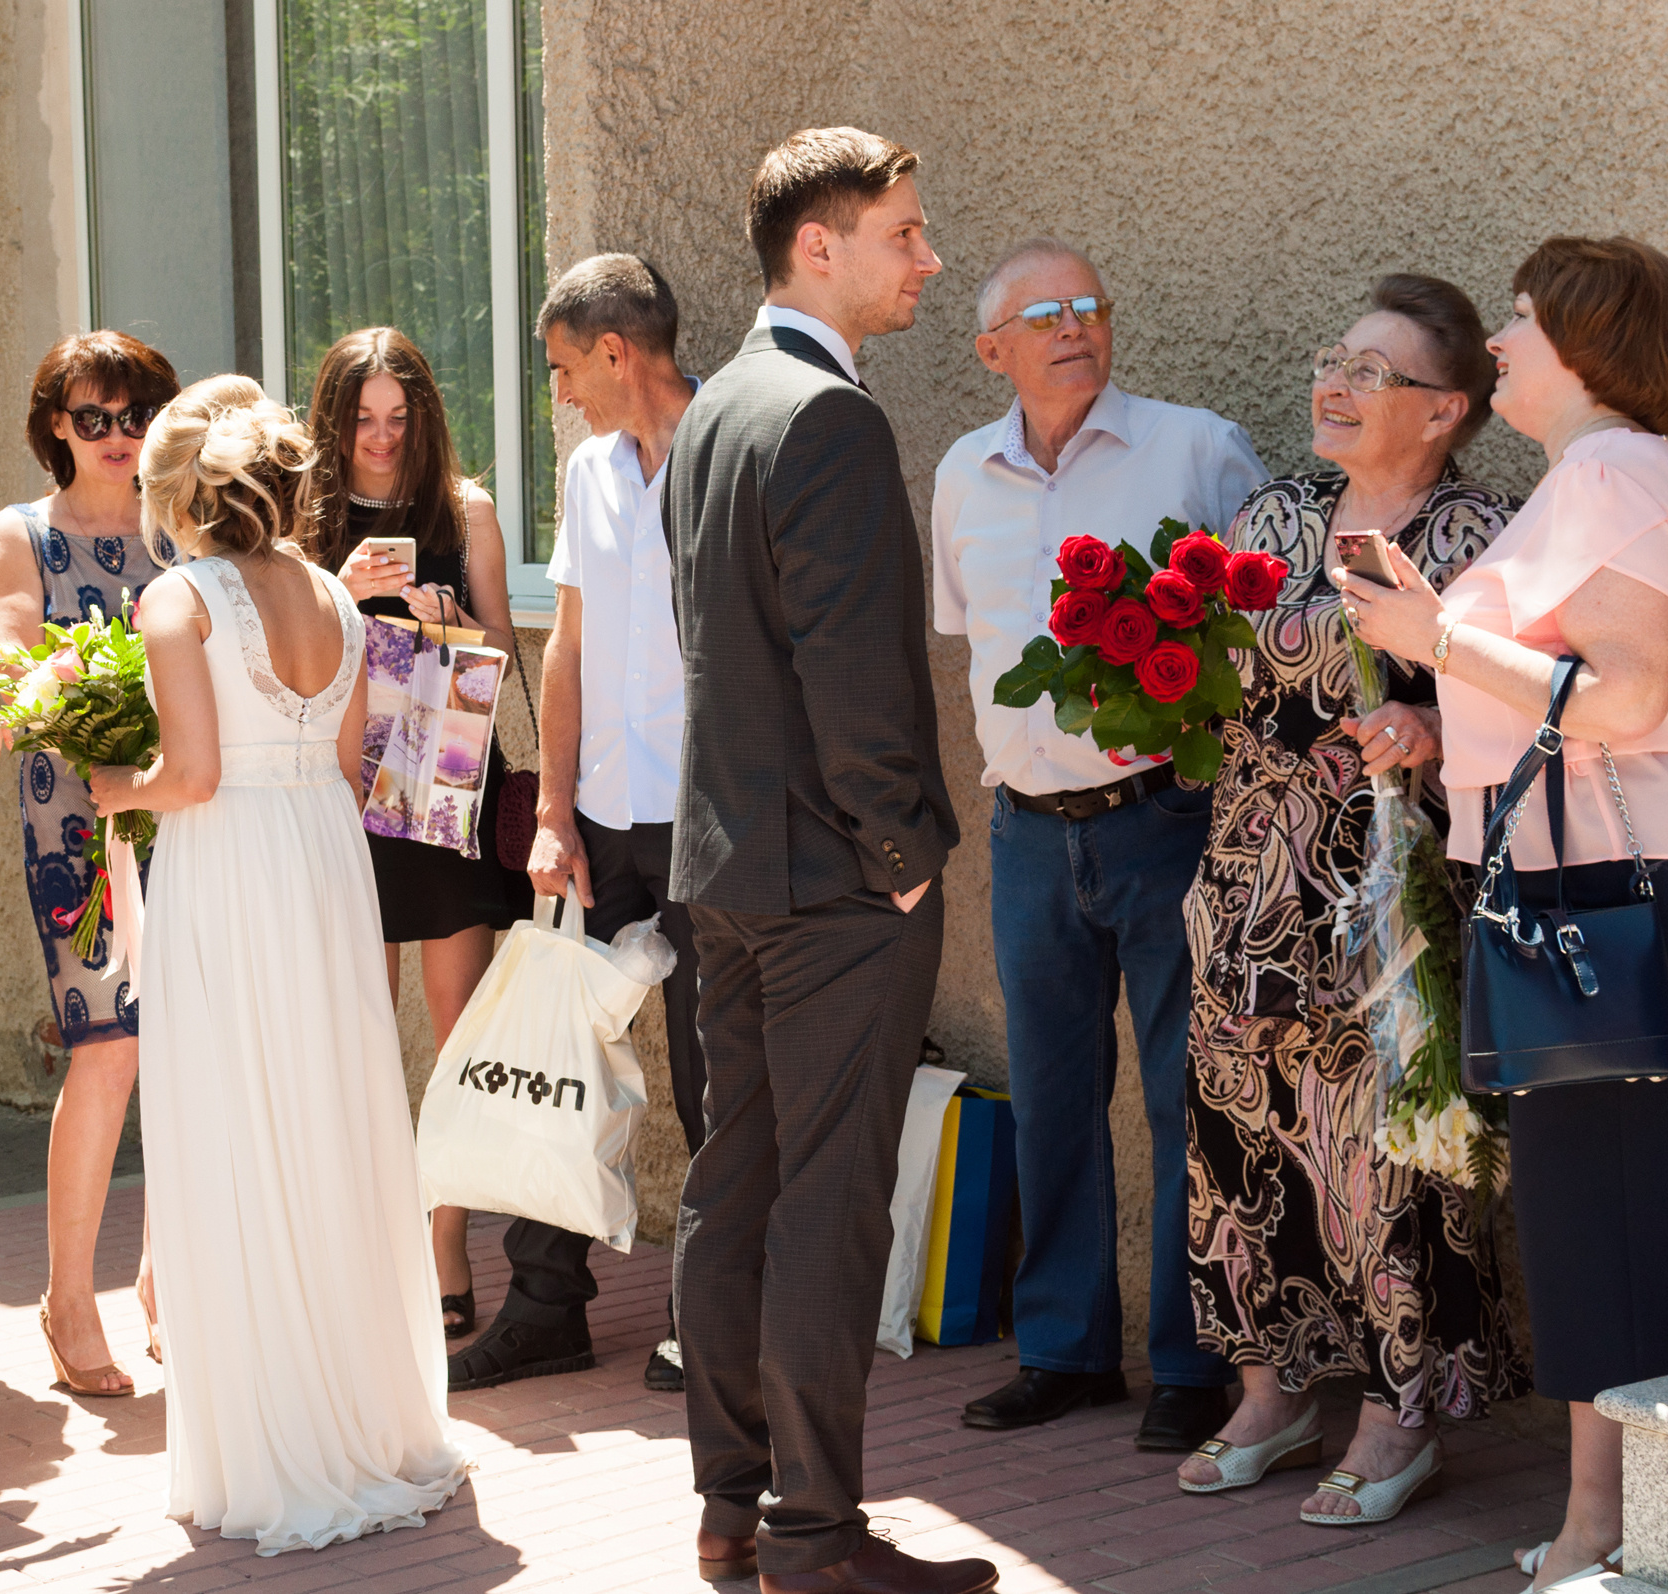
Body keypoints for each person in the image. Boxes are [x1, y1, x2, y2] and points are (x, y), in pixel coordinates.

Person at [663, 126, 993, 1594]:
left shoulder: (715, 409)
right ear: (820, 245)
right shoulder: (827, 416)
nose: (928, 258)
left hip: (730, 870)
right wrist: (902, 853)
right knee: (825, 1202)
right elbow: (848, 675)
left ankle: (731, 1507)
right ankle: (815, 1538)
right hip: (835, 883)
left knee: (734, 1183)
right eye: (904, 233)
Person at [1342, 235, 1668, 1592]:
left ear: (1589, 346)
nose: (1499, 341)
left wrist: (1435, 642)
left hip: (1597, 900)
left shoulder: (1613, 475)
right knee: (1604, 1218)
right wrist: (1443, 684)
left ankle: (1615, 1529)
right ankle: (1607, 1518)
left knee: (1610, 1221)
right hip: (1578, 891)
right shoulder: (1601, 477)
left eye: (1525, 317)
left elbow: (1629, 696)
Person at [90, 380, 469, 1554]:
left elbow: (193, 774)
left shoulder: (178, 598)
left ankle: (271, 1438)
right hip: (321, 857)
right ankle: (361, 1411)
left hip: (230, 861)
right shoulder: (333, 595)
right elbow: (351, 766)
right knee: (326, 1114)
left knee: (236, 1117)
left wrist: (114, 784)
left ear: (183, 494)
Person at [1174, 275, 1529, 1517]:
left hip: (1387, 896)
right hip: (1244, 880)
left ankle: (1396, 1414)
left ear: (1443, 409)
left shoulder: (1481, 536)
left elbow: (1539, 703)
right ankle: (1269, 1394)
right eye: (1337, 358)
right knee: (1237, 1137)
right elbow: (1214, 675)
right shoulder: (1271, 515)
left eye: (1372, 371)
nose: (1335, 382)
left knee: (1383, 1153)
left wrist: (1433, 728)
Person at [932, 240, 1265, 1451]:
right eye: (1044, 314)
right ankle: (1065, 1351)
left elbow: (1265, 631)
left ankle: (1193, 1361)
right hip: (1026, 833)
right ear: (993, 351)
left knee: (1187, 1097)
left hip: (1166, 822)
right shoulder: (962, 474)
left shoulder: (1196, 449)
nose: (1074, 326)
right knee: (1053, 1097)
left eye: (1089, 307)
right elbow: (971, 637)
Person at [452, 253, 703, 1396]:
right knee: (563, 1058)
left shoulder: (727, 452)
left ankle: (709, 1314)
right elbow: (567, 648)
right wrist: (552, 807)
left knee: (712, 1073)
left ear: (615, 351)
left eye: (562, 370)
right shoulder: (590, 468)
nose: (556, 394)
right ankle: (545, 1306)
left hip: (708, 821)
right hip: (600, 814)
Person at [303, 326, 523, 1342]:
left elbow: (502, 651)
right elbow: (277, 661)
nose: (382, 438)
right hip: (342, 788)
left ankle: (446, 1243)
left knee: (457, 1029)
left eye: (399, 417)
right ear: (333, 421)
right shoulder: (301, 517)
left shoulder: (463, 507)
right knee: (355, 1032)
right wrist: (338, 597)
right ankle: (366, 1244)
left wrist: (451, 625)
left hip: (442, 784)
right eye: (363, 419)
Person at [0, 330, 180, 1398]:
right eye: (94, 417)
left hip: (180, 806)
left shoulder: (182, 523)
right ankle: (68, 1298)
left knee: (185, 1045)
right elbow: (16, 670)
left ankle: (163, 1280)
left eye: (136, 415)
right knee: (107, 1050)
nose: (118, 435)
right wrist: (88, 695)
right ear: (56, 424)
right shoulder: (22, 533)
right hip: (77, 821)